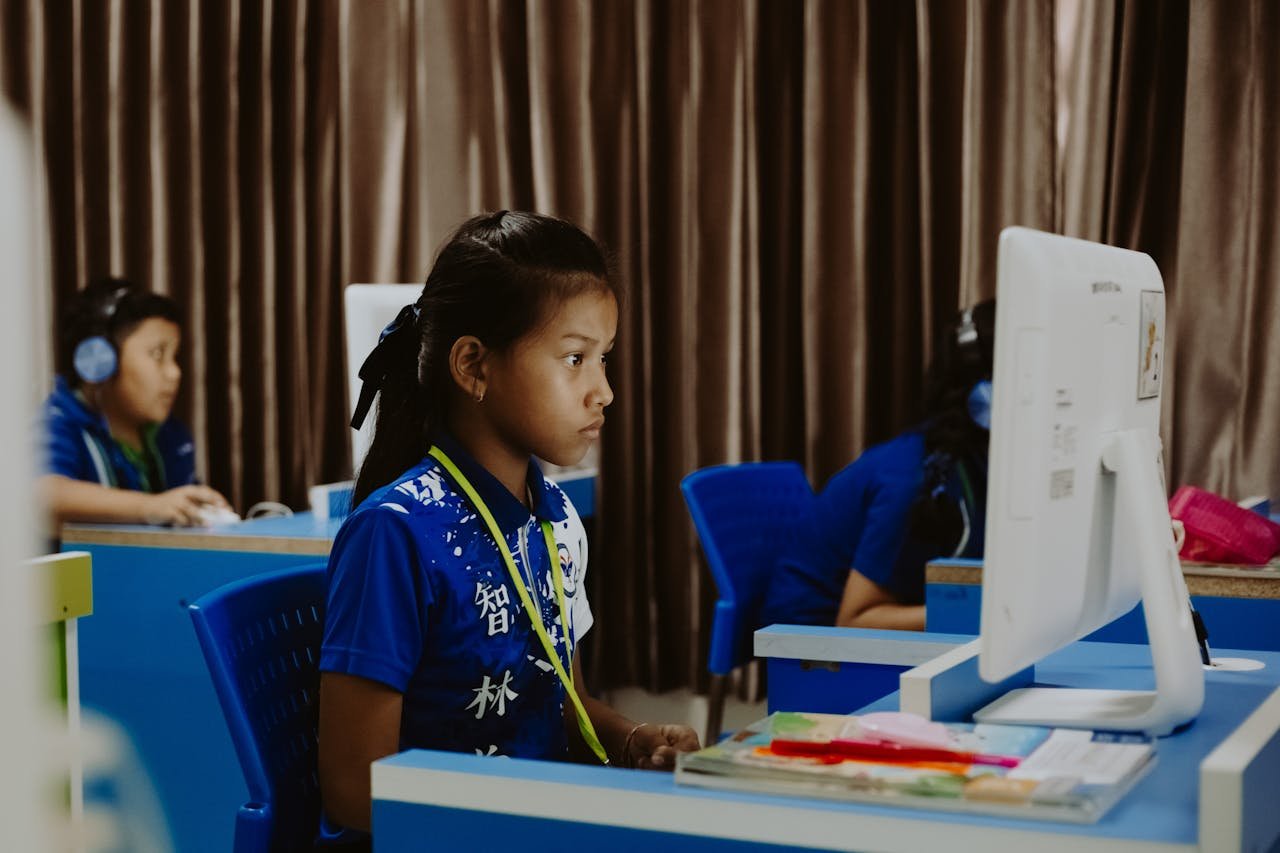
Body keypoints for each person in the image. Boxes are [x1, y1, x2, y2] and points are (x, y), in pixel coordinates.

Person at [318, 211, 701, 837]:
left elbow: (561, 705)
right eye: (575, 358)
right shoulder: (395, 533)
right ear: (472, 366)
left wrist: (631, 739)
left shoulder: (555, 517)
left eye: (604, 359)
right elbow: (356, 792)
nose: (602, 391)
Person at [761, 300, 996, 631]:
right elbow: (856, 620)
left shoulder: (968, 460)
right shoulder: (912, 480)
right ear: (984, 394)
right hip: (814, 654)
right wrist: (990, 615)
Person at [37, 278, 231, 527]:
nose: (175, 373)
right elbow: (43, 497)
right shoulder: (58, 422)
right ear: (102, 361)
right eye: (158, 355)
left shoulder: (171, 434)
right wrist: (151, 506)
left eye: (175, 357)